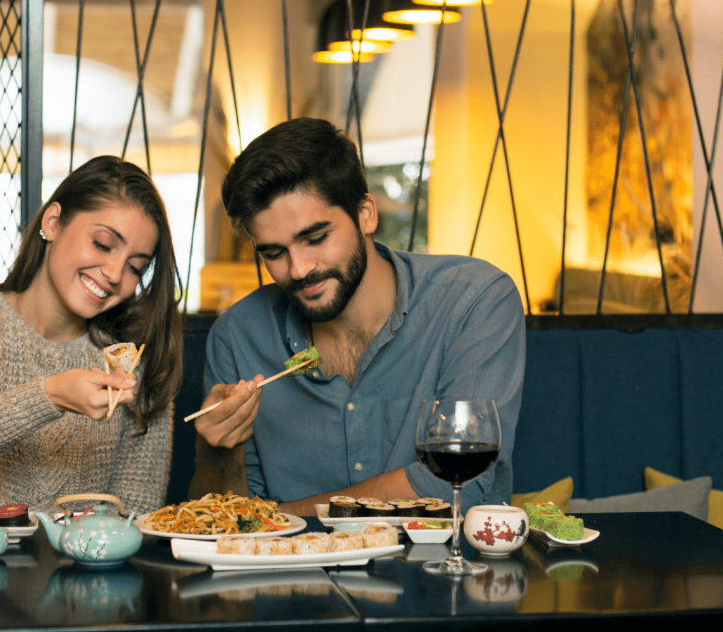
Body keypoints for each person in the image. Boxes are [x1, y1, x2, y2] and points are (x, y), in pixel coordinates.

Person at [188, 118, 524, 515]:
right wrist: (217, 447)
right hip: (294, 575)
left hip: (440, 571)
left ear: (366, 213)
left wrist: (284, 516)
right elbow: (231, 517)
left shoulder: (472, 301)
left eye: (315, 238)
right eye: (274, 253)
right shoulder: (238, 335)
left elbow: (458, 483)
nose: (298, 269)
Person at [0, 156, 182, 515]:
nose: (116, 273)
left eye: (135, 267)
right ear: (52, 223)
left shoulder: (130, 362)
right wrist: (48, 396)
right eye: (102, 243)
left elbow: (136, 514)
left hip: (82, 571)